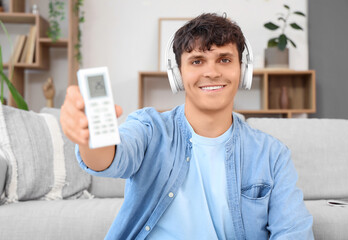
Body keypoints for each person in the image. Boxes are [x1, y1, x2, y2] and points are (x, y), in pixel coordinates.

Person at [60, 13, 314, 240]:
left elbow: (293, 231)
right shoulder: (149, 128)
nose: (212, 72)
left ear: (243, 70)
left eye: (224, 60)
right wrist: (89, 136)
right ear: (177, 74)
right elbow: (110, 159)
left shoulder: (272, 154)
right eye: (197, 61)